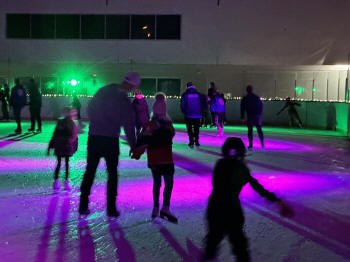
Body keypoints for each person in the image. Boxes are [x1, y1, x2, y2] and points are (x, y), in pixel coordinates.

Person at [203, 137, 293, 262]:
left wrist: (238, 164)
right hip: (232, 211)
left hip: (214, 208)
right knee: (239, 245)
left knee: (214, 238)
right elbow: (257, 187)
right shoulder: (240, 169)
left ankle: (209, 256)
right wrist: (276, 200)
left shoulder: (220, 164)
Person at [78, 72, 140, 217]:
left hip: (95, 137)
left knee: (90, 171)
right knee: (112, 174)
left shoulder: (104, 90)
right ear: (132, 85)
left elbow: (90, 107)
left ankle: (83, 205)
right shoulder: (123, 100)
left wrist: (97, 123)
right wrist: (133, 144)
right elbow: (128, 124)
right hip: (110, 139)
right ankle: (111, 208)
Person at [131, 92, 177, 223]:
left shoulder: (150, 124)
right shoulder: (167, 124)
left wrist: (139, 148)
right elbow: (171, 136)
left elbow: (143, 139)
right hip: (166, 158)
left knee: (157, 183)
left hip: (155, 159)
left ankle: (156, 207)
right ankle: (165, 207)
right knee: (168, 183)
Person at [47, 106, 78, 191]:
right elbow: (74, 137)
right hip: (64, 146)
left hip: (63, 146)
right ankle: (63, 182)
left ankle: (59, 181)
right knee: (64, 164)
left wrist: (51, 145)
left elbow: (73, 137)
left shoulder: (64, 122)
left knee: (61, 163)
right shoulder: (69, 123)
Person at [180, 82, 207, 147]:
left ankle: (191, 141)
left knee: (189, 128)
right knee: (196, 128)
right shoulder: (199, 94)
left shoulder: (185, 94)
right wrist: (203, 112)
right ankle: (197, 141)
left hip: (188, 114)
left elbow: (182, 104)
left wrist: (184, 111)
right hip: (198, 114)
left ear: (187, 87)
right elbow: (204, 103)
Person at [240, 85, 264, 149]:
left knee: (250, 130)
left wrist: (242, 117)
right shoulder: (256, 97)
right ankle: (262, 143)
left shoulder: (245, 98)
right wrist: (260, 113)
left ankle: (251, 144)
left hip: (250, 116)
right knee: (259, 129)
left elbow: (242, 108)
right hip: (257, 116)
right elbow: (261, 105)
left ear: (246, 90)